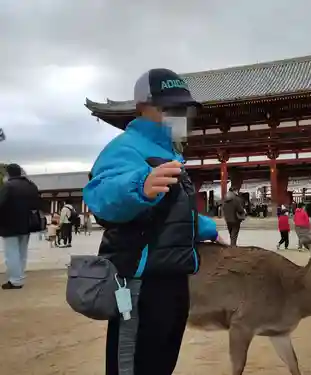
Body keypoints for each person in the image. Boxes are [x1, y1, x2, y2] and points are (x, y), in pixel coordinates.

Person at [83, 68, 225, 375]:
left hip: (174, 277)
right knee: (132, 365)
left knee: (161, 362)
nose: (178, 115)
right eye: (167, 108)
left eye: (182, 109)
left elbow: (173, 213)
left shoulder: (168, 154)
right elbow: (101, 196)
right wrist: (139, 187)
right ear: (141, 108)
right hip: (138, 280)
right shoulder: (126, 149)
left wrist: (208, 229)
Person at [0, 163, 42, 289]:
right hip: (27, 223)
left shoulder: (8, 186)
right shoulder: (31, 185)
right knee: (22, 252)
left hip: (9, 224)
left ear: (8, 173)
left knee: (11, 253)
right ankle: (19, 276)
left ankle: (15, 280)